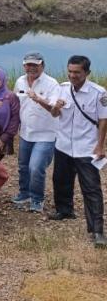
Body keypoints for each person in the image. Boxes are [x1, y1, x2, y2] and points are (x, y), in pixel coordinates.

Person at [49, 55, 107, 248]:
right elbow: (55, 114)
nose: (73, 75)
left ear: (86, 73)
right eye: (70, 71)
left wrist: (100, 145)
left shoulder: (98, 93)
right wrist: (55, 108)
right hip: (64, 144)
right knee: (60, 180)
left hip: (86, 147)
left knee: (91, 189)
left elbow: (103, 121)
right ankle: (64, 210)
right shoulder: (62, 88)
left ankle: (97, 230)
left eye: (77, 72)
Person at [12, 52, 60, 213]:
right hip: (25, 132)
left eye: (35, 65)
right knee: (23, 166)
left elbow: (55, 110)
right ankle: (24, 193)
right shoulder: (20, 81)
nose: (31, 68)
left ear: (42, 65)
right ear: (24, 65)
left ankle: (37, 198)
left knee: (36, 167)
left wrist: (38, 98)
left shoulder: (52, 84)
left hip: (46, 134)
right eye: (28, 65)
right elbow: (16, 105)